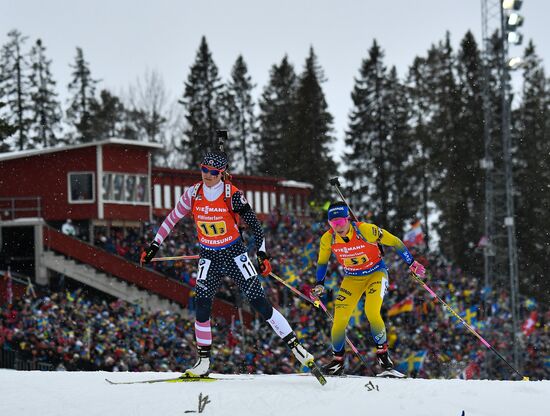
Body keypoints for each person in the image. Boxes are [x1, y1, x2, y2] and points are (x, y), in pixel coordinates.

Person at [141, 151, 317, 378]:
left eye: (213, 172)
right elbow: (172, 218)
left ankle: (297, 348)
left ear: (222, 173)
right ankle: (203, 360)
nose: (207, 175)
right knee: (202, 304)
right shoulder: (193, 193)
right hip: (209, 256)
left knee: (259, 303)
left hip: (235, 254)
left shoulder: (231, 195)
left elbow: (256, 226)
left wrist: (262, 255)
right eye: (204, 169)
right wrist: (154, 245)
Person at [311, 201, 426, 377]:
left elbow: (394, 241)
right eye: (333, 224)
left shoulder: (366, 230)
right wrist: (319, 284)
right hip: (351, 278)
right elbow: (322, 262)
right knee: (339, 320)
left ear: (347, 219)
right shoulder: (328, 239)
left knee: (372, 312)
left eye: (340, 222)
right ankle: (337, 362)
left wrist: (412, 262)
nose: (337, 227)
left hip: (376, 273)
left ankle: (383, 356)